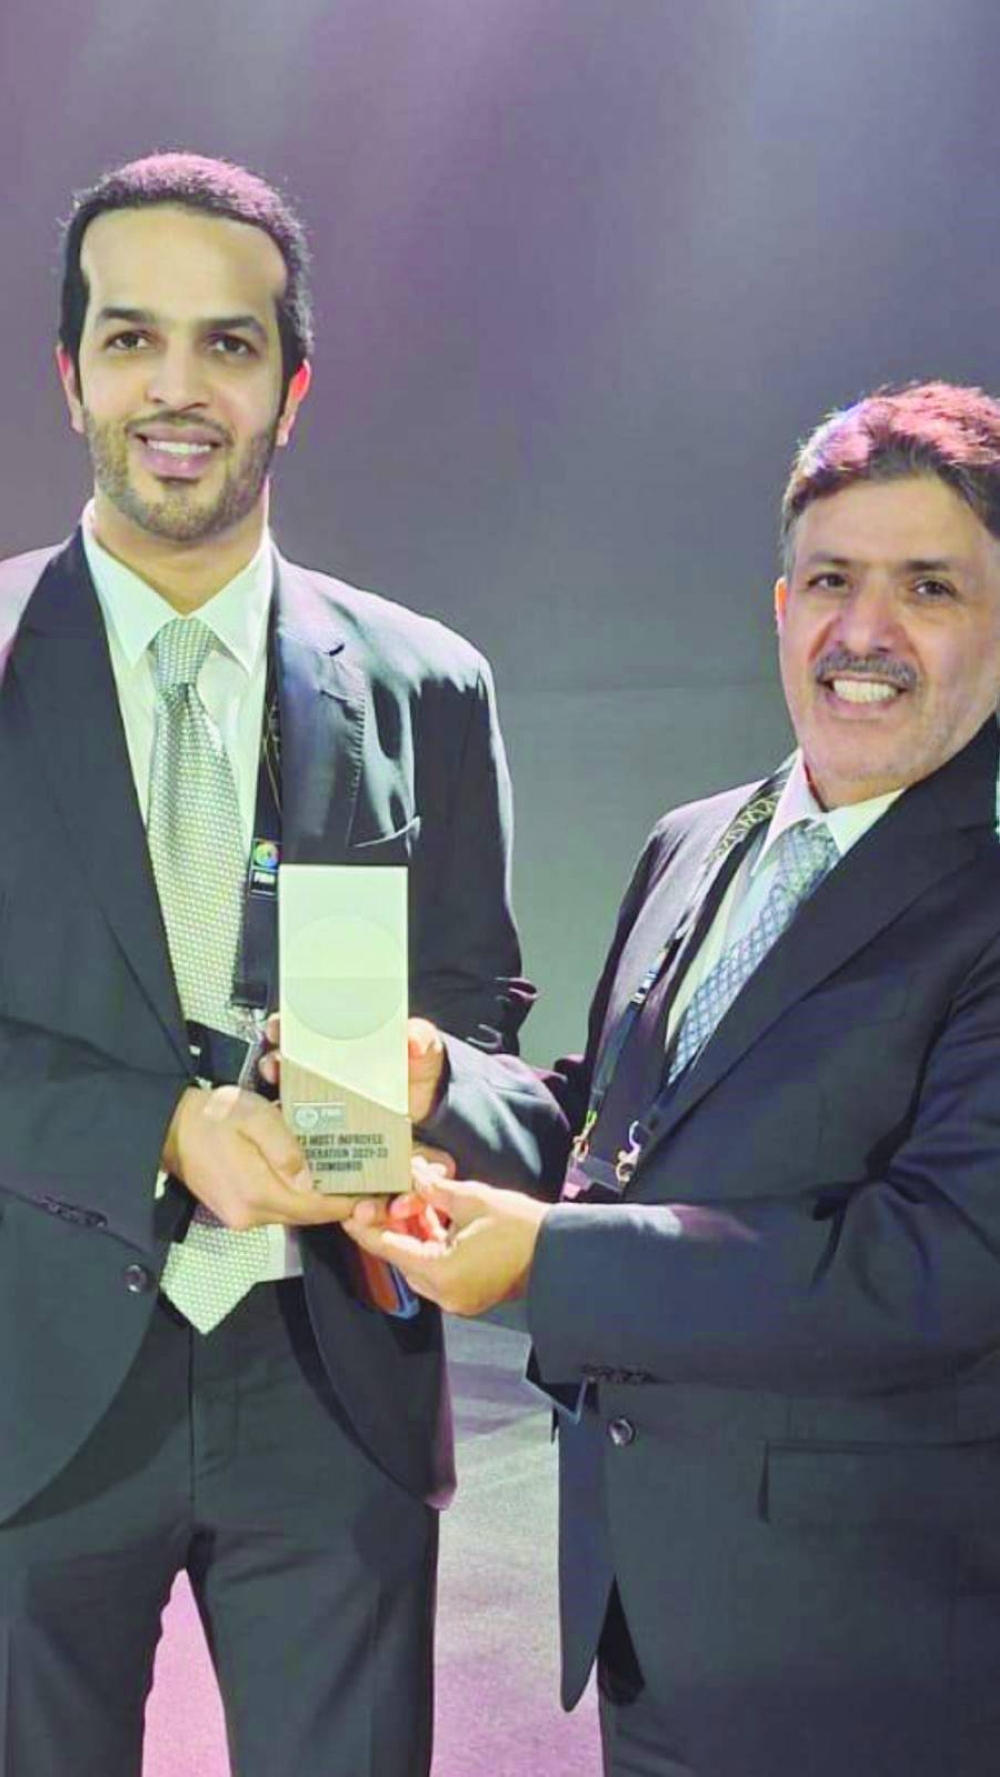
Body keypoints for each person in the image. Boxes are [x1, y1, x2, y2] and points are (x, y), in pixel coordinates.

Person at [346, 381, 1000, 1777]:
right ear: (781, 606)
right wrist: (436, 1084)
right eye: (832, 579)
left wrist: (544, 1265)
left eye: (930, 586)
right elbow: (615, 1131)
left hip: (883, 1667)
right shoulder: (697, 840)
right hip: (656, 1628)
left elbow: (936, 1266)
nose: (866, 629)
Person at [0, 151, 532, 1777]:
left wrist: (426, 1083)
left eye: (227, 343)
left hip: (333, 1395)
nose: (178, 386)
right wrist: (163, 1129)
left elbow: (485, 1018)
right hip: (27, 1391)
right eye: (132, 337)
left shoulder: (428, 684)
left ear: (291, 388)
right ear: (70, 371)